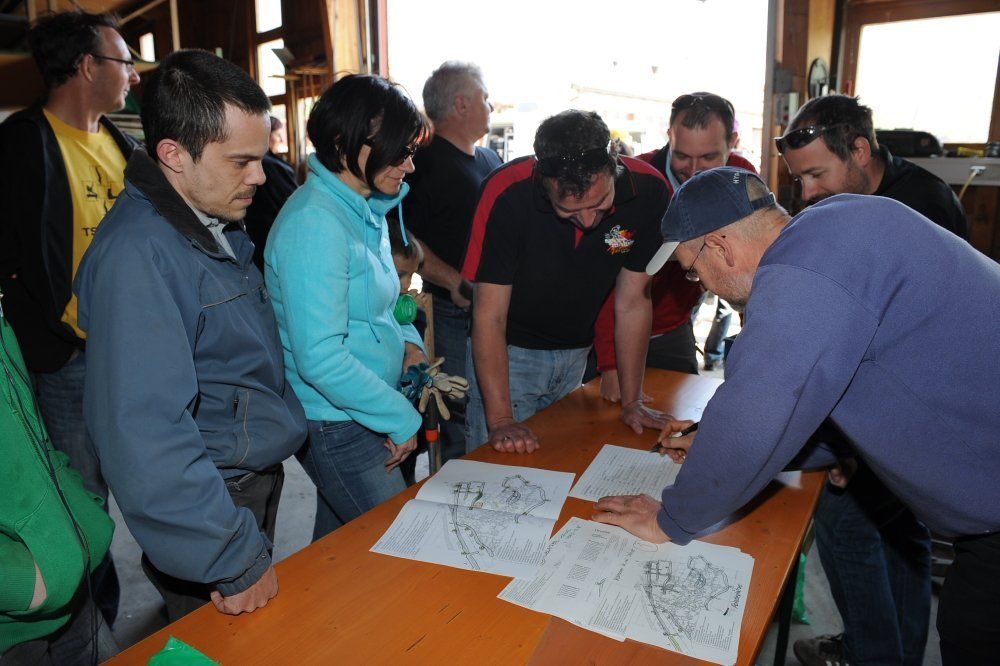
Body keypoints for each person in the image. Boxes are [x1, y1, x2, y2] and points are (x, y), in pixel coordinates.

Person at [592, 167, 1000, 666]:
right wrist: (725, 441)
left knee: (972, 636)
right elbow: (841, 389)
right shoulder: (842, 221)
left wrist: (670, 519)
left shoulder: (802, 272)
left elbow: (756, 411)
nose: (703, 285)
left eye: (693, 271)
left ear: (720, 247)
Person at [75, 49, 307, 622]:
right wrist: (231, 556)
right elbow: (145, 434)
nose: (260, 176)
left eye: (261, 158)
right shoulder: (138, 258)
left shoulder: (210, 217)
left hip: (241, 477)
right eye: (241, 161)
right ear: (173, 155)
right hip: (212, 501)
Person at [778, 93, 970, 666]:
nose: (806, 193)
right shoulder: (851, 197)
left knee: (845, 524)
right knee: (902, 529)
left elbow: (894, 345)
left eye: (816, 175)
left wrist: (850, 442)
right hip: (897, 393)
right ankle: (899, 651)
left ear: (859, 150)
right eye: (798, 179)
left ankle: (871, 654)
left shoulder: (921, 207)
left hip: (930, 399)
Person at [0, 10, 139, 624]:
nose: (134, 74)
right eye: (124, 61)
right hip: (70, 360)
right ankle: (93, 630)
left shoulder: (123, 145)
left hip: (134, 352)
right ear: (87, 66)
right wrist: (53, 329)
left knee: (150, 482)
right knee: (83, 500)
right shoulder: (22, 144)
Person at [265, 74, 428, 541]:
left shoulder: (363, 207)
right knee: (397, 543)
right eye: (398, 151)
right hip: (338, 421)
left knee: (338, 549)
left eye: (410, 151)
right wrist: (399, 416)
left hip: (365, 404)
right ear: (343, 143)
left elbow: (386, 302)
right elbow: (320, 358)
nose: (409, 165)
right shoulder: (315, 223)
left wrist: (409, 343)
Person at [461, 110, 669, 454]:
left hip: (578, 356)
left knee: (561, 460)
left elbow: (633, 301)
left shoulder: (650, 192)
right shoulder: (507, 193)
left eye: (600, 204)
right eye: (570, 211)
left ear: (614, 165)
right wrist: (500, 420)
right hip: (508, 355)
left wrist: (633, 401)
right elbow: (489, 315)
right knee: (496, 468)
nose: (588, 221)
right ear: (544, 184)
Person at [594, 93, 755, 400]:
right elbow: (606, 279)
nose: (694, 170)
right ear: (669, 135)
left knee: (686, 414)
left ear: (732, 142)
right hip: (612, 331)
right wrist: (611, 362)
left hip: (674, 328)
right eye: (681, 156)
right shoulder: (634, 182)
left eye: (708, 157)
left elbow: (753, 266)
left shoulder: (742, 178)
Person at [0, 300, 116, 664]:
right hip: (13, 626)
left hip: (72, 599)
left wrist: (83, 514)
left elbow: (32, 435)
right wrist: (25, 584)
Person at [401, 61, 502, 461]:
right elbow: (404, 240)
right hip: (451, 311)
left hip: (495, 309)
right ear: (461, 104)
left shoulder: (490, 160)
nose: (491, 106)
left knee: (494, 406)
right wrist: (454, 282)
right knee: (458, 409)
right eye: (485, 98)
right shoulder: (421, 165)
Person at [243, 116, 298, 272]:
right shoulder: (271, 165)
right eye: (277, 134)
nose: (281, 139)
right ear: (266, 134)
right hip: (272, 231)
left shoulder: (269, 162)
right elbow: (291, 202)